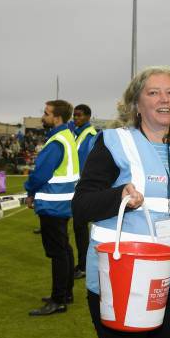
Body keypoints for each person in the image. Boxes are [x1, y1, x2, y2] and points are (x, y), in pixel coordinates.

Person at [72, 66, 170, 338]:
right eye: (154, 92)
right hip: (123, 283)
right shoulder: (114, 142)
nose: (165, 99)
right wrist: (119, 196)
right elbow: (81, 207)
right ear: (136, 104)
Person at [24, 100, 78, 316]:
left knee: (58, 252)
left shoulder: (56, 141)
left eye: (46, 113)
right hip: (63, 202)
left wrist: (29, 190)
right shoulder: (68, 137)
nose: (43, 116)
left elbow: (41, 174)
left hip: (53, 203)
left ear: (56, 117)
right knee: (64, 249)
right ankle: (65, 294)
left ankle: (58, 300)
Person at [70, 103, 97, 279]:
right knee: (79, 228)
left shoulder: (91, 135)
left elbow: (90, 164)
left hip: (84, 188)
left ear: (88, 116)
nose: (76, 118)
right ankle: (83, 264)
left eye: (79, 115)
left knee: (82, 228)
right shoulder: (77, 133)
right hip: (77, 187)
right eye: (74, 115)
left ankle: (84, 266)